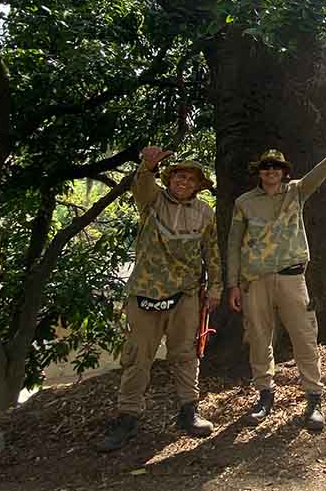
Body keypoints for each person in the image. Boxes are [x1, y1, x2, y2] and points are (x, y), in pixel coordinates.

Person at [97, 146, 223, 452]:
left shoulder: (205, 211)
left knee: (185, 353)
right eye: (179, 176)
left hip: (185, 294)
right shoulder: (152, 200)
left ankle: (189, 411)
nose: (184, 182)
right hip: (145, 293)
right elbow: (141, 186)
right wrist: (147, 166)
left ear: (198, 185)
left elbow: (212, 251)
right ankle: (127, 417)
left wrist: (216, 286)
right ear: (169, 179)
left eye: (191, 179)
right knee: (138, 356)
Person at [227, 142, 326, 432]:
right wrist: (232, 284)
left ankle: (314, 397)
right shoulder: (244, 202)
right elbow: (233, 244)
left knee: (304, 337)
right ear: (259, 172)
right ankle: (265, 394)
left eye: (276, 167)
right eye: (266, 167)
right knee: (259, 338)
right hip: (255, 280)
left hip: (291, 277)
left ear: (283, 172)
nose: (271, 171)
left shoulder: (295, 191)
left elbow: (314, 179)